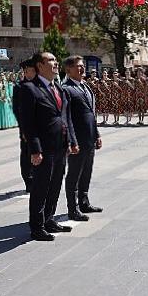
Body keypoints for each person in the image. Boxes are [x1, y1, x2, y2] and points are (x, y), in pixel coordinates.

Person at [19, 52, 75, 241]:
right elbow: (28, 123)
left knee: (55, 185)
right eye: (50, 61)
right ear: (40, 66)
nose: (55, 63)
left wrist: (68, 142)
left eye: (55, 60)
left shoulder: (57, 87)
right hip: (43, 149)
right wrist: (35, 150)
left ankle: (49, 219)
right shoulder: (29, 89)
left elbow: (63, 118)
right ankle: (36, 227)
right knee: (40, 188)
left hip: (59, 146)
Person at [62, 55, 103, 222]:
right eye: (78, 66)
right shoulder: (66, 88)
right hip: (77, 140)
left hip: (89, 138)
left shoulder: (85, 86)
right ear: (68, 70)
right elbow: (66, 117)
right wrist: (71, 141)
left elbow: (91, 114)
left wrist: (97, 134)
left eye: (82, 66)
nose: (82, 68)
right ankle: (73, 208)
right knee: (74, 174)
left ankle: (84, 202)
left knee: (87, 171)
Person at [12, 59, 37, 192]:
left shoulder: (41, 86)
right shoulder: (19, 87)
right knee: (27, 153)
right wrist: (23, 128)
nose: (29, 74)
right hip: (26, 127)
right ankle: (29, 180)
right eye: (26, 71)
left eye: (32, 71)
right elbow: (17, 109)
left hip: (41, 127)